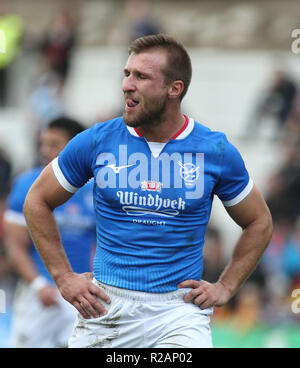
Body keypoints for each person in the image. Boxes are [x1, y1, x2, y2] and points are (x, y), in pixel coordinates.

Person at [23, 34, 273, 348]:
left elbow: (259, 222)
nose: (128, 84)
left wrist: (226, 286)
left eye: (141, 76)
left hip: (178, 313)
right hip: (105, 308)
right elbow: (37, 200)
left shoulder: (215, 150)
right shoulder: (98, 140)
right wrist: (63, 276)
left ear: (174, 89)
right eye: (127, 74)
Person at [3, 117, 96, 348]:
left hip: (82, 294)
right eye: (43, 143)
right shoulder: (27, 184)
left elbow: (102, 243)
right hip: (42, 294)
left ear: (75, 147)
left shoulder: (96, 188)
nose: (46, 150)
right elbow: (14, 246)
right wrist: (38, 285)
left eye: (54, 144)